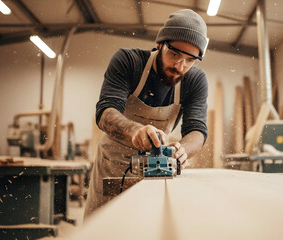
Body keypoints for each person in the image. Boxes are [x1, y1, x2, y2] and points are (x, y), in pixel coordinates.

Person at [84, 9, 208, 218]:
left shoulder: (195, 81)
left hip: (156, 171)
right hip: (111, 166)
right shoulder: (128, 62)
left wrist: (182, 150)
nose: (180, 66)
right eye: (174, 54)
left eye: (190, 60)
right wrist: (135, 131)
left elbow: (197, 129)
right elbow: (105, 111)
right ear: (160, 44)